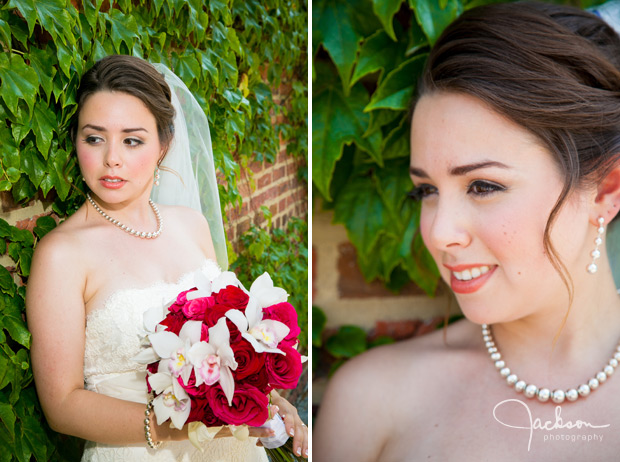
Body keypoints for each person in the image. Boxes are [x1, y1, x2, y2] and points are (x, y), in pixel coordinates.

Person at [314, 3, 620, 460]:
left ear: (605, 190)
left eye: (482, 186)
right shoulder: (370, 401)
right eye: (426, 190)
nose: (439, 234)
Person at [26, 55, 308, 461]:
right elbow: (63, 405)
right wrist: (189, 425)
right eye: (94, 138)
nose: (112, 159)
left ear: (164, 144)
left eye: (132, 139)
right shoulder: (61, 254)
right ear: (75, 141)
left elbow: (229, 347)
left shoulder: (192, 224)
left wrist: (269, 400)